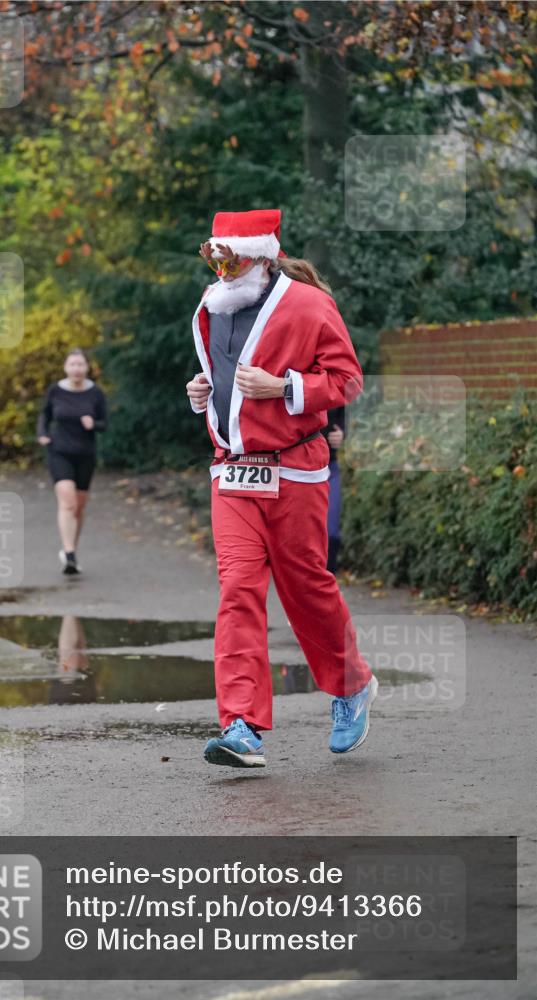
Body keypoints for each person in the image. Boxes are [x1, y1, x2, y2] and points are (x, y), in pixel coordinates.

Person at [186, 208, 377, 768]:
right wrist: (204, 394)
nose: (221, 269)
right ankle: (241, 725)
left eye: (230, 258)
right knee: (239, 589)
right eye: (213, 257)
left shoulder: (309, 304)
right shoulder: (210, 307)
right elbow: (224, 379)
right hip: (233, 472)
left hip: (295, 470)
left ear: (261, 257)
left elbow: (347, 380)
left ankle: (351, 688)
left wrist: (284, 386)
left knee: (305, 589)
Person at [37, 348, 107, 575]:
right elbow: (44, 415)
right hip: (59, 451)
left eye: (80, 365)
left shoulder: (95, 393)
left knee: (79, 506)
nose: (76, 369)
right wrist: (42, 434)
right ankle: (69, 554)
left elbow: (104, 423)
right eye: (72, 365)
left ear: (87, 368)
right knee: (67, 502)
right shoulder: (56, 390)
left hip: (85, 453)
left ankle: (71, 551)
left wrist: (93, 424)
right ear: (66, 367)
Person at [325, 406, 345, 573]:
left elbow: (346, 419)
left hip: (329, 467)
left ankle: (326, 580)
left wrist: (343, 434)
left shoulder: (335, 383)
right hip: (296, 470)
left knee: (331, 533)